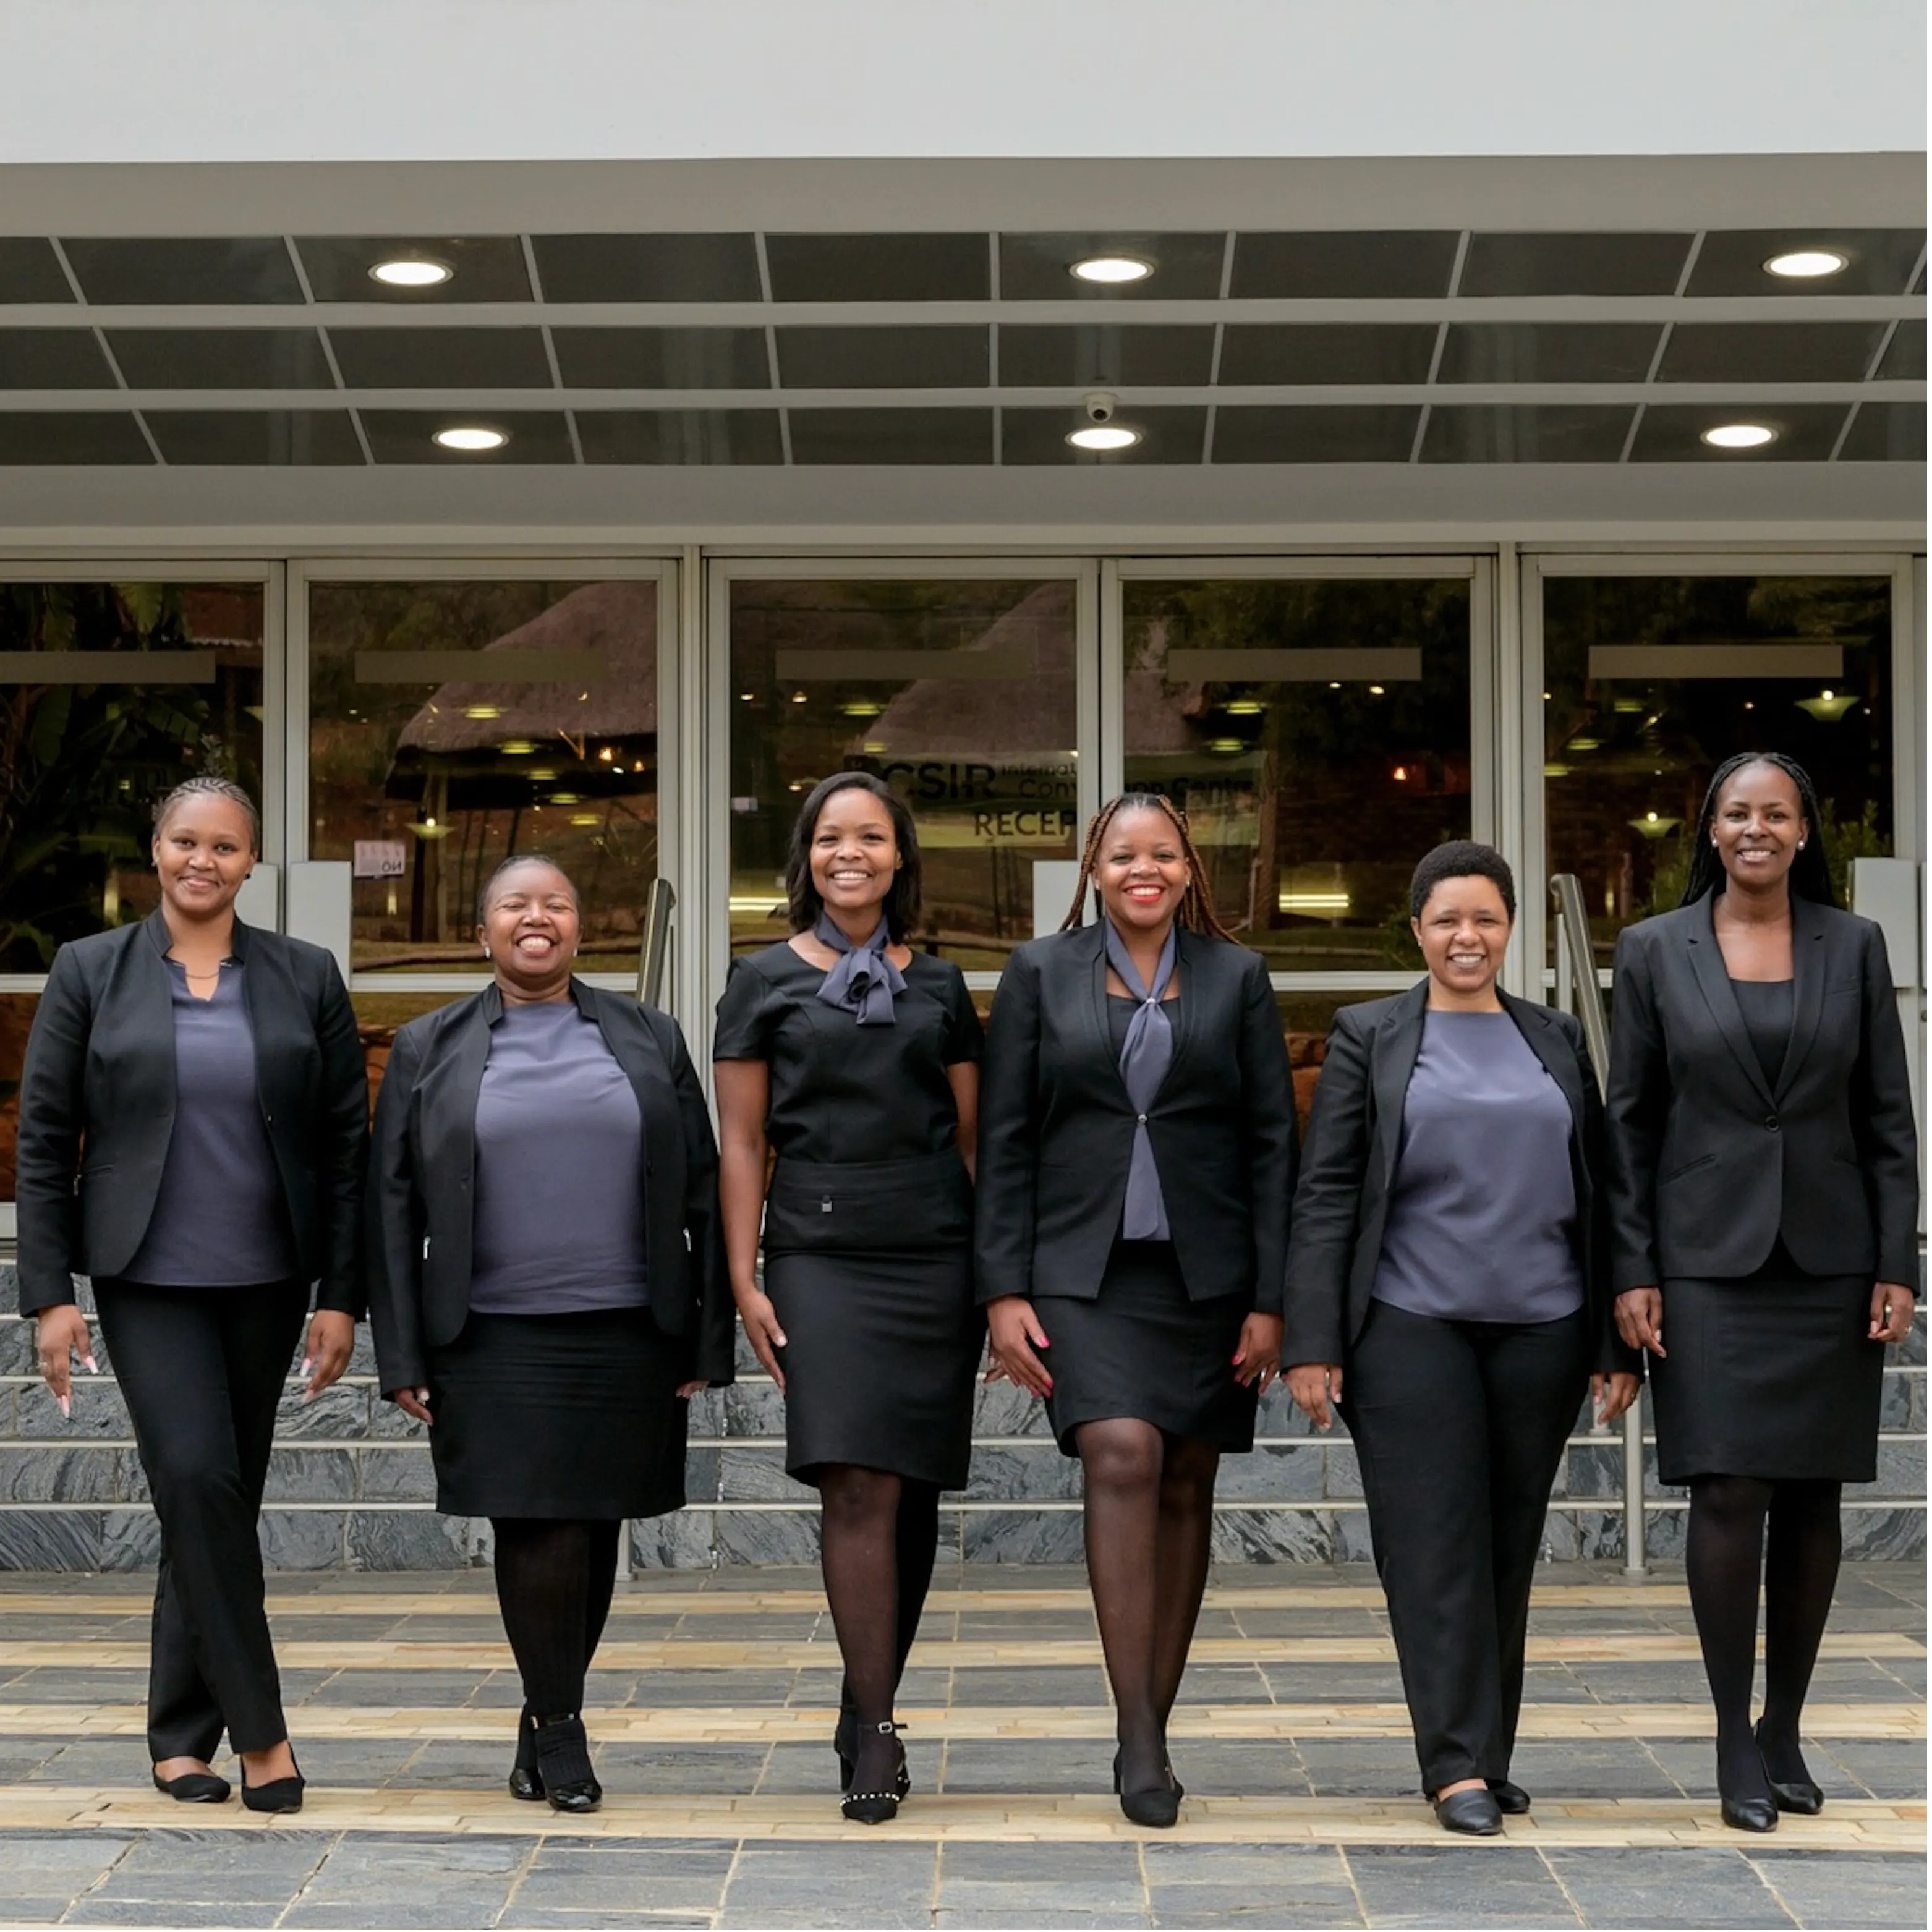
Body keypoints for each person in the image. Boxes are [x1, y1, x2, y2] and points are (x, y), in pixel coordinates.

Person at [15, 775, 366, 1815]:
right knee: (201, 1478)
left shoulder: (305, 974)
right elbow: (44, 1142)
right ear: (155, 850)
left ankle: (179, 1736)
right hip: (145, 1277)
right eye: (184, 842)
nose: (201, 861)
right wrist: (50, 1294)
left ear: (250, 863)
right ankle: (262, 1734)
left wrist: (342, 1296)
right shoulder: (90, 971)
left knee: (210, 1501)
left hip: (266, 1276)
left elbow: (347, 1148)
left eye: (223, 846)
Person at [1285, 840, 1640, 1837]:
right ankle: (1452, 1766)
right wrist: (1314, 1338)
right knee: (1433, 1547)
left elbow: (1602, 1187)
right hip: (1410, 1326)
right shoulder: (1370, 1035)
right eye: (1447, 920)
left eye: (1485, 919)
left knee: (1507, 1548)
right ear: (1417, 930)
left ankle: (1488, 1751)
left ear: (1511, 928)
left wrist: (1616, 1344)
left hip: (1544, 1326)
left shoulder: (1558, 1037)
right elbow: (1326, 1195)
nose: (1466, 937)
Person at [365, 854, 732, 1814]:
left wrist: (707, 1335)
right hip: (489, 1333)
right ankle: (564, 1730)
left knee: (597, 1523)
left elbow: (703, 1186)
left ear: (581, 928)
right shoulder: (427, 1045)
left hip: (628, 1327)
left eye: (558, 904)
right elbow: (391, 1211)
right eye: (516, 905)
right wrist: (398, 1351)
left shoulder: (650, 1036)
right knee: (536, 1526)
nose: (539, 918)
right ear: (484, 931)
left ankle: (542, 1713)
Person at [1604, 753, 1917, 1834]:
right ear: (1709, 829)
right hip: (1705, 1265)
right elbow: (1629, 1126)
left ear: (1802, 830)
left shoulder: (1855, 944)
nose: (1756, 829)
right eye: (1737, 812)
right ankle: (1732, 1734)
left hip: (1830, 1263)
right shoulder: (1652, 949)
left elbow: (1886, 1116)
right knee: (1729, 1493)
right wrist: (1632, 1267)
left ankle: (1784, 1723)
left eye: (1776, 813)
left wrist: (1897, 1262)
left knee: (1816, 1497)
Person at [976, 791, 1295, 1829]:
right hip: (1083, 1270)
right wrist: (1002, 1289)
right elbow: (1008, 1139)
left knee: (1186, 1482)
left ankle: (1152, 1712)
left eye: (1164, 854)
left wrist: (1270, 1298)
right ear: (1094, 870)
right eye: (1124, 855)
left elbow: (1268, 1145)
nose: (1144, 869)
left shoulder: (1237, 978)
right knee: (1121, 1452)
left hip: (1206, 1276)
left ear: (1190, 870)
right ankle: (1139, 1737)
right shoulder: (1038, 973)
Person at [713, 773, 982, 1825]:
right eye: (831, 838)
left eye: (871, 836)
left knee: (908, 1489)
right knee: (856, 1483)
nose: (850, 853)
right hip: (820, 1260)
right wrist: (744, 1273)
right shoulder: (762, 979)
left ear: (901, 856)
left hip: (933, 1257)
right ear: (806, 858)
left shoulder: (946, 985)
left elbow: (972, 1141)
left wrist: (994, 1280)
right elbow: (742, 1141)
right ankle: (878, 1729)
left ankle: (865, 1692)